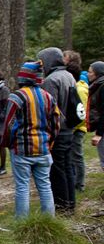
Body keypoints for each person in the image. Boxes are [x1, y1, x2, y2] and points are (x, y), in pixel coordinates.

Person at [1, 61, 61, 217]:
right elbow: (56, 124)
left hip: (22, 149)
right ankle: (49, 220)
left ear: (23, 77)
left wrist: (7, 143)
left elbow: (9, 123)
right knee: (45, 185)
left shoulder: (17, 96)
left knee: (22, 187)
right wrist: (50, 143)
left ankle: (22, 222)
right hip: (43, 149)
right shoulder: (48, 96)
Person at [38, 47, 78, 214]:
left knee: (57, 169)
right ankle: (70, 202)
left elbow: (50, 108)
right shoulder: (69, 75)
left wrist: (48, 132)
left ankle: (62, 205)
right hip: (69, 128)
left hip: (58, 131)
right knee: (67, 167)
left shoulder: (51, 80)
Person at [64, 51, 88, 192]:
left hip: (77, 128)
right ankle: (73, 181)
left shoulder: (80, 88)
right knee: (71, 156)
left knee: (77, 156)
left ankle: (80, 185)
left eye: (65, 58)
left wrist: (73, 126)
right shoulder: (76, 85)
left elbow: (81, 110)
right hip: (73, 127)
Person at [87, 61, 104, 170]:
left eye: (90, 72)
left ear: (98, 73)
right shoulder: (97, 85)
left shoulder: (102, 86)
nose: (88, 74)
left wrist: (99, 133)